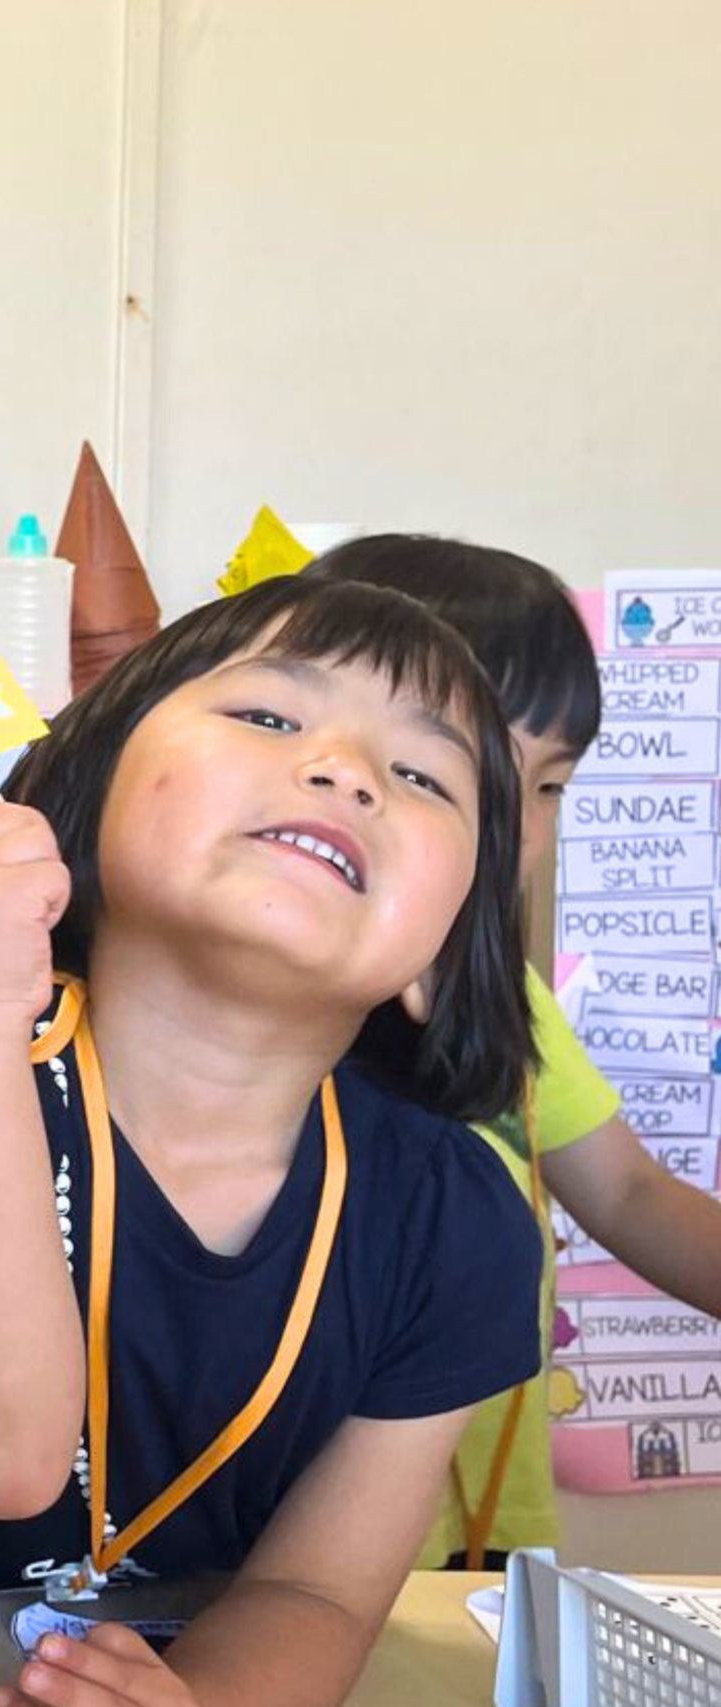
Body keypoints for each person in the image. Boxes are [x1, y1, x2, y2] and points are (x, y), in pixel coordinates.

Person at [0, 577, 542, 1707]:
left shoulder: (454, 1223)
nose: (343, 771)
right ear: (82, 803)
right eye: (268, 717)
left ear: (440, 953)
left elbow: (316, 1597)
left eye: (420, 777)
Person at [307, 533, 721, 1566]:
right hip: (280, 1549)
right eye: (470, 767)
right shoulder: (266, 991)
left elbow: (627, 1195)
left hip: (468, 1545)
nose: (518, 830)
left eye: (549, 788)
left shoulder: (504, 997)